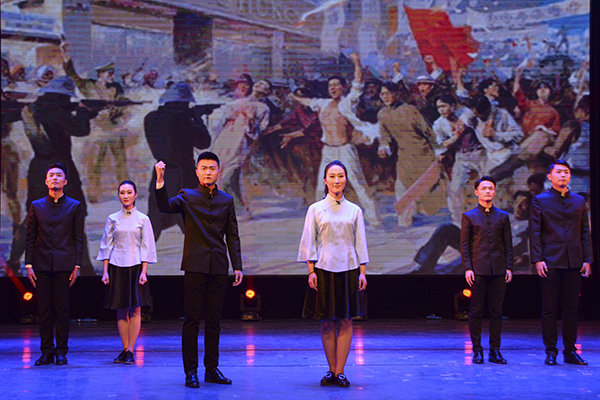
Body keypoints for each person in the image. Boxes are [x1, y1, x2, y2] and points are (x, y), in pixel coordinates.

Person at [154, 151, 243, 388]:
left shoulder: (226, 200)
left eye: (212, 168)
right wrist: (160, 180)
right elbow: (165, 206)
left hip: (218, 267)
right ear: (197, 172)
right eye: (203, 168)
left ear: (218, 171)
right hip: (195, 266)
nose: (208, 172)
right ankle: (191, 371)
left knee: (214, 320)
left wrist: (237, 266)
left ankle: (212, 369)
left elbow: (232, 235)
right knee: (192, 320)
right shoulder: (188, 196)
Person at [298, 160, 368, 388]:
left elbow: (360, 243)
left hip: (349, 269)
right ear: (325, 180)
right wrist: (311, 271)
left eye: (340, 176)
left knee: (346, 321)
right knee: (327, 322)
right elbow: (309, 241)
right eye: (332, 176)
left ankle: (340, 371)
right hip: (324, 269)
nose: (337, 180)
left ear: (346, 179)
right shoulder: (315, 209)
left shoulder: (355, 210)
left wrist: (362, 272)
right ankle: (331, 369)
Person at [290, 53, 379, 226]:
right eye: (330, 85)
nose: (333, 88)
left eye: (337, 85)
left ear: (344, 88)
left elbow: (358, 82)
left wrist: (357, 62)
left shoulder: (348, 102)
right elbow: (308, 101)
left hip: (345, 149)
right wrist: (294, 98)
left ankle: (374, 218)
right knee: (321, 186)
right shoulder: (322, 103)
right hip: (328, 150)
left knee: (357, 183)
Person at [529, 160, 592, 366]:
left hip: (574, 260)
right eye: (558, 172)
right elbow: (535, 232)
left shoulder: (579, 201)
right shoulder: (540, 200)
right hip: (550, 261)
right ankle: (550, 351)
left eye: (566, 172)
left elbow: (584, 231)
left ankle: (570, 351)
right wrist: (538, 259)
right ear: (550, 176)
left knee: (571, 310)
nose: (563, 175)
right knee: (549, 309)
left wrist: (587, 259)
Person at [25, 163, 83, 366]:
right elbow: (30, 236)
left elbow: (78, 238)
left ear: (65, 181)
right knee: (44, 310)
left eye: (59, 175)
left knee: (62, 310)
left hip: (64, 265)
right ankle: (46, 351)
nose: (55, 178)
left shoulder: (74, 205)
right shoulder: (37, 205)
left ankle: (61, 352)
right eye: (51, 175)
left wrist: (77, 265)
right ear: (46, 181)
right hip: (41, 265)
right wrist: (29, 264)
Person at [97, 180, 157, 364]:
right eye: (122, 192)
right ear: (118, 195)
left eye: (129, 192)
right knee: (121, 309)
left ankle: (131, 349)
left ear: (135, 195)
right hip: (116, 265)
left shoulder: (143, 219)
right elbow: (106, 245)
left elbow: (146, 246)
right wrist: (105, 271)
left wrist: (144, 272)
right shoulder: (112, 218)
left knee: (135, 309)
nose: (125, 196)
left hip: (136, 266)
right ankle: (125, 349)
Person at [144, 82, 212, 240]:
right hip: (183, 173)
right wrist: (197, 118)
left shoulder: (151, 117)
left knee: (155, 218)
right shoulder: (182, 118)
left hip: (160, 172)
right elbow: (204, 142)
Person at [460, 176, 513, 364]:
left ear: (495, 191)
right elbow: (465, 245)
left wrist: (509, 267)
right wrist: (468, 268)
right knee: (476, 311)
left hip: (498, 270)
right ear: (477, 192)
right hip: (478, 270)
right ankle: (477, 349)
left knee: (497, 312)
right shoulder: (469, 216)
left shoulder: (503, 216)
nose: (487, 191)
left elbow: (508, 244)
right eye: (483, 188)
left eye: (490, 188)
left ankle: (495, 350)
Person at [377, 81, 438, 227]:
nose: (385, 97)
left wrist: (439, 150)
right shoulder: (382, 114)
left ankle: (425, 214)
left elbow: (427, 131)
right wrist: (383, 148)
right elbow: (384, 135)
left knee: (425, 186)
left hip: (423, 153)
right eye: (383, 94)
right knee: (402, 187)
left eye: (388, 93)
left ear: (397, 94)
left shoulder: (410, 110)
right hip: (404, 155)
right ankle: (405, 221)